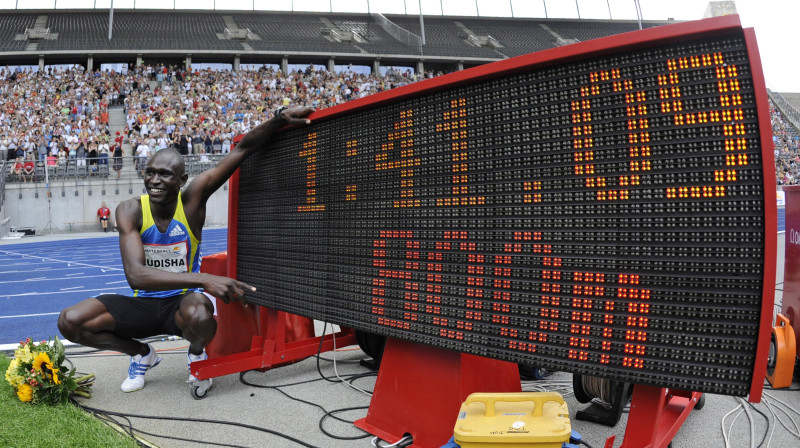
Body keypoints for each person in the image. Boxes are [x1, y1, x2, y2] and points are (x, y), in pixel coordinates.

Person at [57, 106, 313, 393]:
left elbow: (242, 150)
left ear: (181, 180)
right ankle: (142, 354)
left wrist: (278, 118)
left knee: (203, 314)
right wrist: (204, 278)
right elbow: (136, 276)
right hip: (144, 302)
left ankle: (196, 354)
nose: (154, 181)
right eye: (150, 173)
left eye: (164, 175)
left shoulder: (192, 201)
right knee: (71, 321)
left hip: (182, 304)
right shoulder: (130, 210)